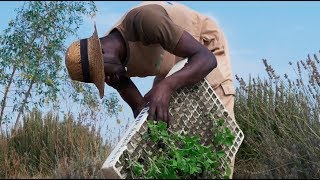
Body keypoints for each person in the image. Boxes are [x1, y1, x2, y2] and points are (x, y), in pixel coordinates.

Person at [65, 1, 236, 177]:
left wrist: (167, 86)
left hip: (203, 46)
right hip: (170, 66)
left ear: (102, 52)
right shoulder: (113, 69)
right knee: (167, 126)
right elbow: (140, 109)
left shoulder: (145, 20)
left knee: (217, 138)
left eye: (102, 74)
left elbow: (206, 59)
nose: (107, 80)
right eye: (100, 80)